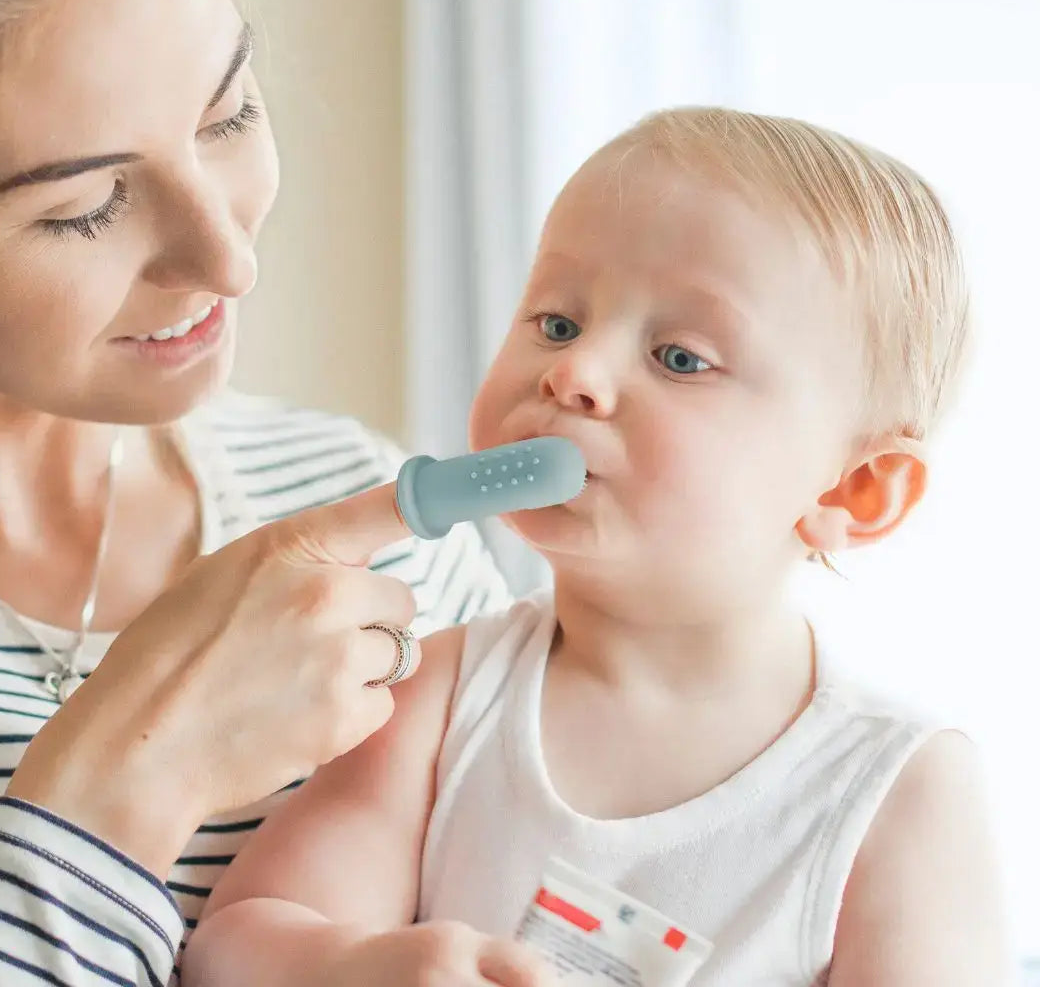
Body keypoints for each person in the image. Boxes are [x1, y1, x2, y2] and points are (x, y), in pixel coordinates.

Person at [185, 107, 1014, 987]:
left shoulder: (896, 793)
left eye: (680, 358)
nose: (572, 374)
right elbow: (233, 947)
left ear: (853, 491)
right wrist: (355, 965)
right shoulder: (436, 697)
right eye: (556, 322)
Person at [0, 0, 510, 984]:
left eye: (229, 115)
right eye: (87, 207)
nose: (228, 258)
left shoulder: (364, 510)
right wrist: (117, 788)